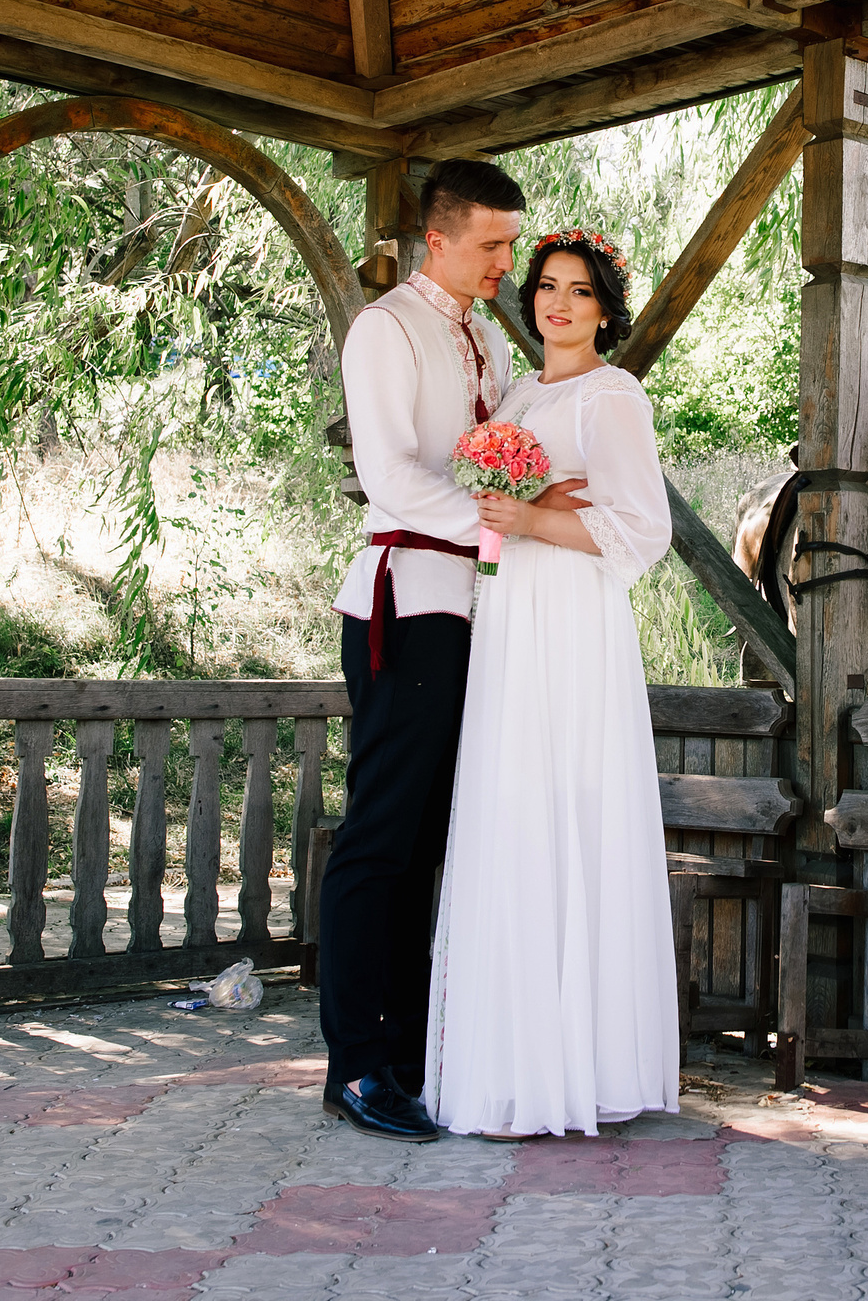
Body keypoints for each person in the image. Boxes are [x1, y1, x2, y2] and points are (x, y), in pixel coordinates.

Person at [323, 158, 583, 1144]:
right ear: (437, 237)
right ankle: (355, 1066)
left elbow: (518, 437)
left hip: (471, 612)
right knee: (382, 838)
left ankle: (412, 1048)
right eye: (491, 247)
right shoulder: (385, 330)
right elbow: (388, 475)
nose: (506, 265)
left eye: (513, 246)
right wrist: (503, 524)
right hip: (404, 602)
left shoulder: (483, 337)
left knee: (436, 839)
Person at [423, 230, 681, 1139]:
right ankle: (510, 1060)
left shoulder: (613, 397)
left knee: (566, 801)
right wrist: (510, 523)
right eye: (545, 287)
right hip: (510, 609)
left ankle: (580, 1065)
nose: (557, 304)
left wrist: (535, 517)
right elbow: (503, 515)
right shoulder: (521, 392)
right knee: (510, 803)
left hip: (572, 618)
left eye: (578, 292)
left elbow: (642, 531)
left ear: (605, 308)